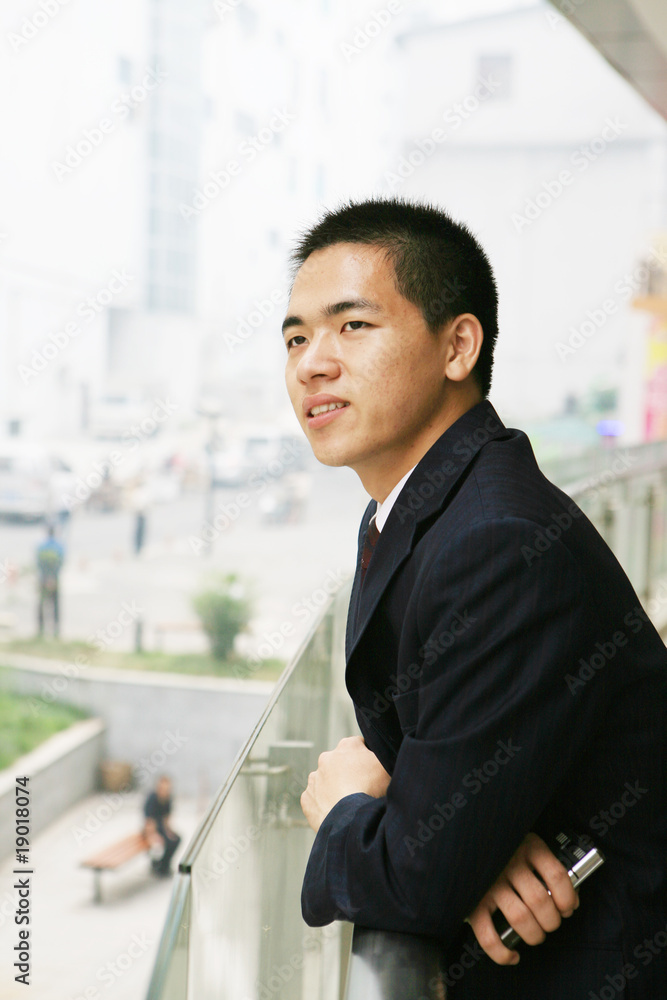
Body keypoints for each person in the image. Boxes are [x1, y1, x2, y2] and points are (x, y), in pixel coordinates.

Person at [282, 198, 667, 997]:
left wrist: (350, 808)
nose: (311, 361)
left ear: (457, 345)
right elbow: (432, 819)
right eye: (295, 336)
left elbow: (415, 882)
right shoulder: (419, 509)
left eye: (351, 326)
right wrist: (467, 842)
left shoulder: (497, 541)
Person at [142, 775, 181, 878]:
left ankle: (163, 864)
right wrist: (153, 835)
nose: (165, 791)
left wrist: (169, 832)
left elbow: (166, 818)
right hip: (151, 827)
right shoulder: (152, 798)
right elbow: (149, 821)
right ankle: (159, 865)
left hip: (161, 827)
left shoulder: (168, 799)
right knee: (165, 842)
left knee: (176, 839)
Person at [36, 523, 64, 637]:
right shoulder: (59, 546)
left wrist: (46, 577)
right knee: (55, 605)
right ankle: (56, 630)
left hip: (43, 579)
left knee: (42, 604)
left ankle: (40, 629)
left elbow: (39, 563)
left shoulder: (41, 547)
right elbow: (61, 563)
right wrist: (52, 577)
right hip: (55, 579)